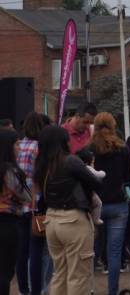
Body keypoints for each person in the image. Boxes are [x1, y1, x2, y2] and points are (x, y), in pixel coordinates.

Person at [36, 124, 102, 295]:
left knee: (59, 273)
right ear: (63, 141)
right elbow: (96, 182)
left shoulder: (42, 165)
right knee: (78, 275)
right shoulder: (70, 161)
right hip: (74, 220)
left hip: (51, 220)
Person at [89, 112, 130, 295]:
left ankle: (88, 289)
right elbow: (129, 178)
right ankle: (112, 291)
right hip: (118, 204)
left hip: (94, 206)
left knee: (90, 252)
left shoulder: (90, 149)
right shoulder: (123, 149)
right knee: (114, 253)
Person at [15, 112, 49, 295]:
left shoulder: (18, 146)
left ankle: (22, 289)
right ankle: (38, 289)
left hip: (19, 204)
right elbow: (40, 178)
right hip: (36, 205)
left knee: (22, 251)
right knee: (38, 250)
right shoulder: (39, 149)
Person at [0, 127, 31, 292]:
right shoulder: (9, 171)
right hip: (7, 223)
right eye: (17, 144)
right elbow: (25, 196)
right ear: (8, 146)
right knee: (5, 270)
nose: (20, 148)